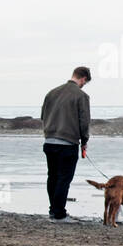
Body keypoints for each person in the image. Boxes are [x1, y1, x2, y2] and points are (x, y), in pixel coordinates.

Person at [41, 66, 92, 223]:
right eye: (85, 82)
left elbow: (43, 116)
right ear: (83, 78)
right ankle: (59, 214)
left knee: (53, 177)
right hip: (67, 143)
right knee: (64, 179)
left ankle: (53, 210)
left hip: (49, 141)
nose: (84, 85)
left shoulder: (51, 93)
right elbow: (84, 122)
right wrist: (84, 141)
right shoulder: (81, 96)